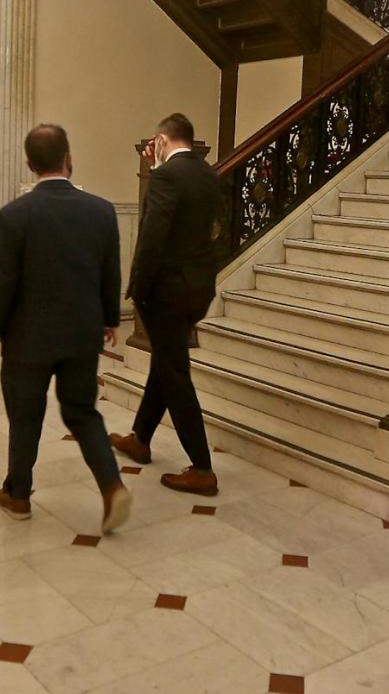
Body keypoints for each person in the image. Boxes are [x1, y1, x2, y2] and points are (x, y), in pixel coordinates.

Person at [0, 124, 131, 534]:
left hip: (27, 337)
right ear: (69, 158)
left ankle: (19, 494)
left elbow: (3, 280)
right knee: (82, 411)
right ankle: (112, 485)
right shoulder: (101, 211)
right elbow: (110, 271)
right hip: (82, 333)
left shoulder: (15, 215)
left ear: (29, 164)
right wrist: (110, 319)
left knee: (25, 414)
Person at [110, 113, 220, 496]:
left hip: (168, 291)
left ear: (160, 139)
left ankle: (202, 468)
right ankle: (140, 438)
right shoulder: (208, 174)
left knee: (174, 372)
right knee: (166, 361)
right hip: (198, 289)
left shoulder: (166, 177)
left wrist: (137, 288)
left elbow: (152, 235)